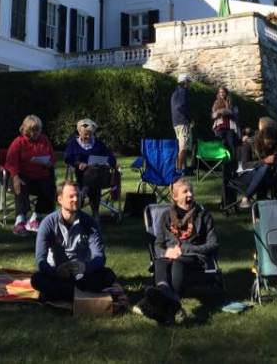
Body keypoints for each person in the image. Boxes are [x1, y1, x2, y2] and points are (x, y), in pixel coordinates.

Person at [136, 178, 218, 324]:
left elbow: (213, 244)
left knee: (178, 262)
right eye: (185, 192)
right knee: (160, 262)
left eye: (191, 191)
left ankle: (153, 303)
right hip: (170, 256)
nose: (190, 195)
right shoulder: (166, 217)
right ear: (175, 197)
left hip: (194, 257)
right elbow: (158, 244)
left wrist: (186, 249)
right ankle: (170, 306)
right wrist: (166, 253)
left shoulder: (203, 215)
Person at [30, 181, 117, 302]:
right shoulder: (48, 224)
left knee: (108, 275)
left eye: (78, 195)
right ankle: (77, 292)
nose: (76, 199)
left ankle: (59, 293)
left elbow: (100, 257)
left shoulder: (90, 223)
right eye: (71, 196)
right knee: (36, 279)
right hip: (57, 274)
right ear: (60, 199)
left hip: (82, 274)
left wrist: (85, 267)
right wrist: (56, 272)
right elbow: (40, 260)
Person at [5, 115, 56, 236]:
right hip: (20, 176)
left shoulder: (44, 140)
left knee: (49, 187)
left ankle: (36, 218)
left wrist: (49, 163)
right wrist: (15, 177)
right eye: (33, 130)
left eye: (38, 130)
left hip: (39, 176)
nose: (36, 133)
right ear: (26, 130)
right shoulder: (18, 142)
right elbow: (11, 163)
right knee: (21, 185)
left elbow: (52, 158)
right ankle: (20, 221)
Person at [63, 119, 116, 220]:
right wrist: (78, 163)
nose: (88, 136)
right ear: (79, 132)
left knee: (94, 172)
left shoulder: (99, 143)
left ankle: (85, 190)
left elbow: (112, 159)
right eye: (85, 134)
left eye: (90, 134)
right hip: (82, 176)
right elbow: (67, 158)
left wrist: (106, 163)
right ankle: (95, 215)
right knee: (94, 184)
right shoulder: (73, 144)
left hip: (101, 176)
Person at [235, 124, 277, 209]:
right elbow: (245, 165)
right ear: (261, 139)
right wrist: (264, 161)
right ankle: (246, 197)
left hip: (265, 175)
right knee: (265, 167)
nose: (270, 146)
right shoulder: (249, 144)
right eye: (268, 143)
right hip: (246, 175)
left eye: (272, 143)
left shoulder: (274, 146)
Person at [170, 74, 193, 171]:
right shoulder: (184, 92)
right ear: (185, 82)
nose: (190, 84)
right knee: (183, 147)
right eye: (189, 82)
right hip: (183, 122)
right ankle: (178, 169)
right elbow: (181, 107)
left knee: (181, 146)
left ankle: (183, 168)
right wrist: (189, 118)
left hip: (175, 122)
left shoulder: (175, 93)